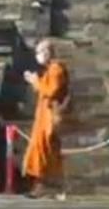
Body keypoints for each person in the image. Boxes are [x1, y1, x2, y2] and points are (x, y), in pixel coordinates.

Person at [22, 39, 68, 199]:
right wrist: (36, 81)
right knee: (45, 152)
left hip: (50, 117)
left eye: (40, 52)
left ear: (48, 52)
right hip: (43, 116)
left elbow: (51, 91)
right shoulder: (50, 69)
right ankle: (49, 186)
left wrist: (36, 82)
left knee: (45, 151)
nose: (38, 55)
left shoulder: (56, 69)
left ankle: (48, 186)